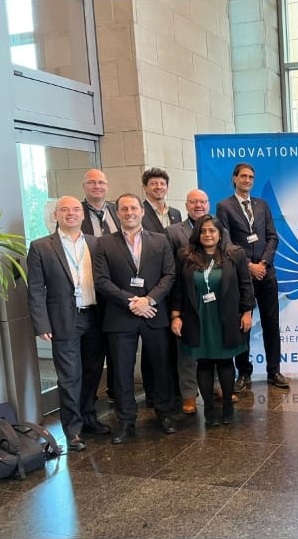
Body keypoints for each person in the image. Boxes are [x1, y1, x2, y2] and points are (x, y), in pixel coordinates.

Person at [93, 193, 177, 444]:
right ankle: (126, 421)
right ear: (117, 213)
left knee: (161, 367)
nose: (129, 212)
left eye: (133, 208)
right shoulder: (104, 243)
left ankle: (164, 413)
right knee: (121, 372)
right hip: (120, 316)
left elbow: (169, 275)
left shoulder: (161, 240)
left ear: (142, 211)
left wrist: (148, 300)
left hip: (154, 313)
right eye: (124, 209)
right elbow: (101, 280)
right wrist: (132, 301)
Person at [27, 196, 109, 451]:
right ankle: (73, 429)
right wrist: (41, 324)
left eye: (75, 209)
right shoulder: (41, 246)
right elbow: (36, 289)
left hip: (95, 316)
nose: (71, 213)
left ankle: (89, 418)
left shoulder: (96, 243)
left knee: (93, 372)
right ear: (56, 215)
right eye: (64, 210)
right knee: (70, 376)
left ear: (82, 215)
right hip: (63, 319)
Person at [170, 215, 255, 427]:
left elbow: (246, 285)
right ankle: (208, 409)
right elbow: (178, 287)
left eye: (212, 230)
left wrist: (247, 312)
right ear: (197, 234)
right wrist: (176, 316)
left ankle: (227, 407)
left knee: (225, 361)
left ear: (220, 234)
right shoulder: (185, 255)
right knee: (204, 362)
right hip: (197, 316)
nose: (207, 234)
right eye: (203, 231)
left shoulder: (235, 254)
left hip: (226, 316)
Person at [216, 162, 290, 389]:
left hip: (266, 273)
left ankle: (274, 371)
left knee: (271, 324)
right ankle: (244, 373)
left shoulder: (262, 205)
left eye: (250, 177)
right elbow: (225, 241)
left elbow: (272, 237)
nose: (247, 180)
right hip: (242, 275)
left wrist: (263, 263)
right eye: (243, 176)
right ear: (234, 179)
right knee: (244, 325)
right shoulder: (224, 206)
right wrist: (248, 265)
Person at [139, 167, 182, 408]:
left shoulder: (175, 213)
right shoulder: (140, 213)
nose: (158, 187)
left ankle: (173, 389)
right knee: (152, 345)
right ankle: (153, 394)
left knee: (171, 340)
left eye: (162, 184)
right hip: (152, 285)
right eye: (153, 184)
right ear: (145, 188)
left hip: (173, 282)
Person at [166, 189, 211, 415]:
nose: (198, 205)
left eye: (202, 201)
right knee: (187, 351)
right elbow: (171, 270)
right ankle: (189, 395)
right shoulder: (173, 232)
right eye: (193, 202)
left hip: (213, 300)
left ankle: (217, 387)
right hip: (187, 299)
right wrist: (176, 311)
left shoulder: (219, 229)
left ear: (208, 204)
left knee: (215, 345)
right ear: (186, 205)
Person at [79, 168, 120, 404]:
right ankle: (89, 401)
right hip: (91, 292)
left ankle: (115, 393)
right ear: (84, 186)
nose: (97, 186)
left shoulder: (117, 210)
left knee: (117, 349)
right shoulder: (75, 212)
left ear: (107, 186)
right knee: (93, 354)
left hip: (117, 292)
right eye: (92, 182)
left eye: (101, 182)